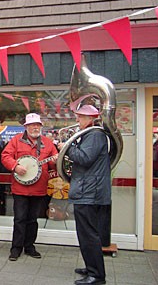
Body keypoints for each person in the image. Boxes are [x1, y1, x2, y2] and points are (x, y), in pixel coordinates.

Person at [57, 105, 109, 285]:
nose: (77, 120)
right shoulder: (91, 135)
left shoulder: (94, 135)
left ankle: (96, 275)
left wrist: (67, 147)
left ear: (90, 119)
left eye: (80, 117)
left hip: (89, 192)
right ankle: (91, 267)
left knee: (89, 235)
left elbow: (85, 158)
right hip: (87, 191)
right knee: (85, 234)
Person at [1, 113, 58, 261]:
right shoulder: (16, 141)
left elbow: (53, 163)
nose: (35, 127)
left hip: (39, 188)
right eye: (32, 125)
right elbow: (5, 156)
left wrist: (57, 160)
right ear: (26, 127)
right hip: (20, 188)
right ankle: (16, 248)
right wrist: (15, 166)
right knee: (19, 218)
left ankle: (30, 246)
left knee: (33, 220)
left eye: (38, 125)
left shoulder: (47, 142)